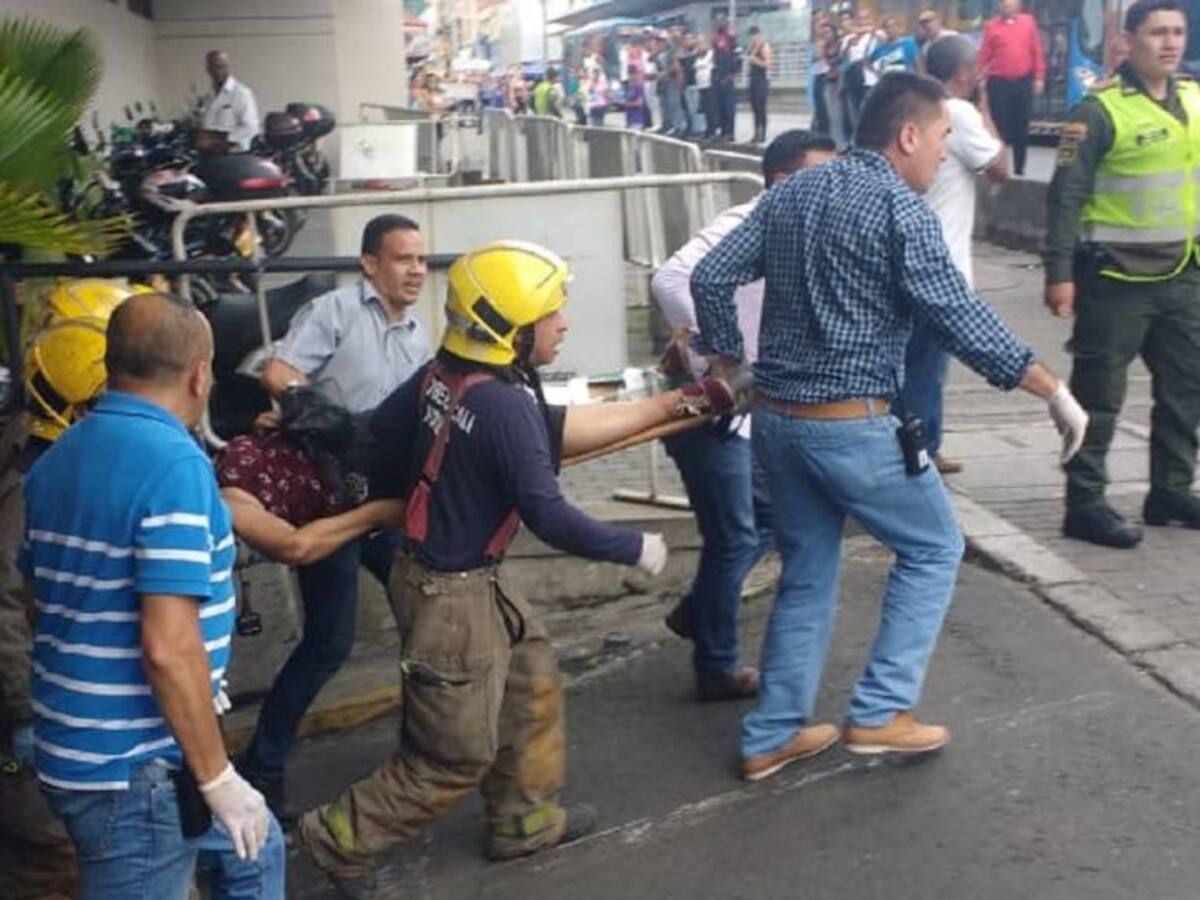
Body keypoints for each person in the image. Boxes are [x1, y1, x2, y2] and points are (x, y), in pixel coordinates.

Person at [691, 72, 1087, 781]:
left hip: (779, 424)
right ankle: (879, 712)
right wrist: (1050, 388)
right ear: (908, 134)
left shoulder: (790, 193)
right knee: (936, 547)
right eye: (939, 139)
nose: (942, 156)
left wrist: (731, 364)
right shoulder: (903, 213)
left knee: (808, 571)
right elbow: (959, 318)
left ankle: (773, 732)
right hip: (853, 426)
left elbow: (711, 276)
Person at [294, 240, 714, 894]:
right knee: (452, 755)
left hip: (456, 575)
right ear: (512, 331)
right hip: (451, 597)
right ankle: (338, 838)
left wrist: (679, 403)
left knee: (531, 678)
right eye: (552, 313)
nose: (564, 322)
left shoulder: (447, 372)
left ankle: (523, 818)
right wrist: (632, 547)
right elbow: (547, 512)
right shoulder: (504, 405)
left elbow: (383, 427)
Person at [21, 292, 285, 898]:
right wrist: (215, 775)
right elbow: (168, 649)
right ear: (200, 374)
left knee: (257, 851)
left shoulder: (58, 457)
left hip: (98, 742)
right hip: (134, 766)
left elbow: (43, 599)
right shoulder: (175, 466)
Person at [237, 214, 432, 814]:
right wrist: (310, 408)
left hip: (389, 505)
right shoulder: (337, 311)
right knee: (328, 643)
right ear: (370, 263)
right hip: (329, 501)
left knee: (429, 625)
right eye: (403, 259)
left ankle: (426, 751)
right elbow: (278, 370)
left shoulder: (418, 333)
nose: (417, 271)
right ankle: (261, 769)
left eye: (422, 261)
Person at [652, 130, 837, 703]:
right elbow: (669, 279)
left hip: (748, 410)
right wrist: (722, 354)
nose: (833, 191)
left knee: (768, 519)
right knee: (734, 536)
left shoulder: (802, 233)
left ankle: (700, 610)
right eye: (821, 178)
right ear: (783, 182)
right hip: (710, 409)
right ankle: (716, 666)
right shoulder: (746, 223)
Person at [0, 278, 149, 900]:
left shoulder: (51, 460)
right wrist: (24, 713)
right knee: (55, 862)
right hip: (40, 722)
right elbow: (6, 610)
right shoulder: (33, 486)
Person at [1044, 0, 1200, 548]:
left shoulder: (1194, 99)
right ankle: (1084, 502)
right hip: (1115, 279)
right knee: (1099, 395)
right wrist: (1058, 274)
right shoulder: (1097, 111)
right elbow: (1065, 199)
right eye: (1157, 32)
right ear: (1127, 40)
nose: (1170, 43)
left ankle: (1171, 491)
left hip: (1183, 273)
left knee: (1186, 389)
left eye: (1178, 32)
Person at [898, 36, 1009, 475]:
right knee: (926, 367)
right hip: (941, 265)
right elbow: (1001, 168)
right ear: (966, 73)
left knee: (918, 363)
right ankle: (917, 453)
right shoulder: (958, 112)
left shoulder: (915, 108)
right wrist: (985, 106)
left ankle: (928, 443)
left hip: (911, 256)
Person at [978, 0, 1045, 176]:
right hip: (999, 83)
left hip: (1022, 82)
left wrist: (1039, 77)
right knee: (998, 125)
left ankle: (1019, 168)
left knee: (1022, 124)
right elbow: (984, 56)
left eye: (1010, 3)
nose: (1007, 6)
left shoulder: (1028, 22)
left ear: (1018, 5)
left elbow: (1036, 51)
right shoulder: (991, 27)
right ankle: (997, 166)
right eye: (1003, 4)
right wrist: (980, 80)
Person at [200, 50, 260, 151]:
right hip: (211, 155)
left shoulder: (241, 93)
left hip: (234, 155)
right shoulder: (209, 96)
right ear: (208, 69)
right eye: (214, 67)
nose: (218, 71)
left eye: (221, 66)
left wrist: (223, 139)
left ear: (228, 67)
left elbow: (251, 127)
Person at [840, 9, 885, 137]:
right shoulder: (849, 37)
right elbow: (843, 58)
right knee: (854, 111)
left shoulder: (875, 34)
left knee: (870, 111)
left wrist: (867, 31)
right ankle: (857, 139)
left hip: (871, 78)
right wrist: (849, 44)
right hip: (853, 77)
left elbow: (884, 41)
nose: (862, 21)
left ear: (871, 19)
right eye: (860, 19)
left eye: (865, 18)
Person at [712, 11, 740, 140]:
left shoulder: (731, 37)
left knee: (729, 106)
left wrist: (732, 74)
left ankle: (730, 132)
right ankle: (723, 131)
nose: (719, 23)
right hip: (718, 76)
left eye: (721, 20)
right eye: (717, 20)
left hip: (728, 77)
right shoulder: (716, 37)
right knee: (720, 106)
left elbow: (737, 57)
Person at [747, 26, 773, 143]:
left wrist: (756, 61)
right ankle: (756, 132)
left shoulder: (764, 46)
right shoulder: (752, 47)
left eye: (755, 36)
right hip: (753, 79)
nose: (754, 38)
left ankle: (763, 133)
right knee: (754, 107)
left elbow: (768, 64)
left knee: (761, 107)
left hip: (761, 79)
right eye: (752, 36)